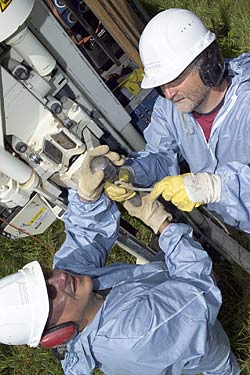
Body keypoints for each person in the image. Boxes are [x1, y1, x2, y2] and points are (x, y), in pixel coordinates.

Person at [0, 146, 240, 375]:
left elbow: (86, 239)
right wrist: (160, 223)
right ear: (57, 336)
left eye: (45, 276)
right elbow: (198, 289)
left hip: (159, 284)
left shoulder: (73, 287)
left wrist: (86, 197)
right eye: (50, 294)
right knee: (214, 353)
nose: (59, 277)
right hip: (190, 327)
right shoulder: (133, 337)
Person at [104, 8, 250, 234]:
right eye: (161, 85)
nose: (168, 93)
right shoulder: (168, 108)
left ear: (207, 64)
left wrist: (217, 187)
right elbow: (161, 157)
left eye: (174, 80)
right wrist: (133, 172)